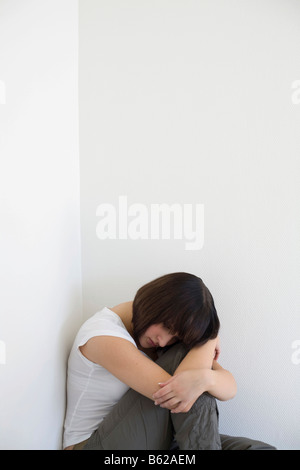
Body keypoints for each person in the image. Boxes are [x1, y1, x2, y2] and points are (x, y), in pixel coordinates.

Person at [63, 272, 274, 450]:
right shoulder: (103, 335)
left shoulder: (159, 342)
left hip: (156, 438)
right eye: (167, 327)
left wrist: (207, 374)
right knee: (188, 373)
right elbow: (180, 393)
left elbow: (229, 388)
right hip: (94, 445)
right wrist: (209, 339)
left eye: (175, 336)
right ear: (157, 305)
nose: (163, 342)